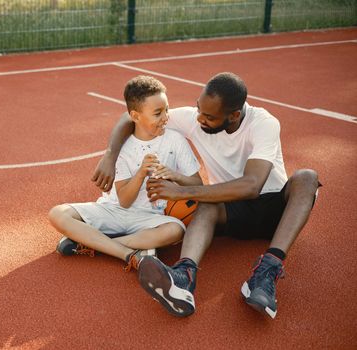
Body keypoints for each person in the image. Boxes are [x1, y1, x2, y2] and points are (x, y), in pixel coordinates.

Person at [91, 72, 320, 318]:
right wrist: (109, 155)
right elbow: (130, 116)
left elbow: (252, 185)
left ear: (234, 115)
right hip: (232, 211)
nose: (199, 118)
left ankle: (266, 273)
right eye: (199, 109)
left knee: (307, 177)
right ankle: (183, 276)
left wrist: (182, 191)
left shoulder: (264, 123)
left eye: (209, 116)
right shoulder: (194, 118)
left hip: (275, 211)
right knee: (208, 202)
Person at [49, 75, 202, 271]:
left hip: (149, 217)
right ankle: (128, 253)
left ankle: (95, 243)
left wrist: (175, 176)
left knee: (175, 230)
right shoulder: (123, 145)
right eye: (157, 113)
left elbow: (198, 185)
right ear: (136, 116)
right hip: (114, 210)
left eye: (166, 110)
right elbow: (125, 201)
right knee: (58, 214)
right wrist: (141, 173)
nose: (165, 117)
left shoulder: (175, 140)